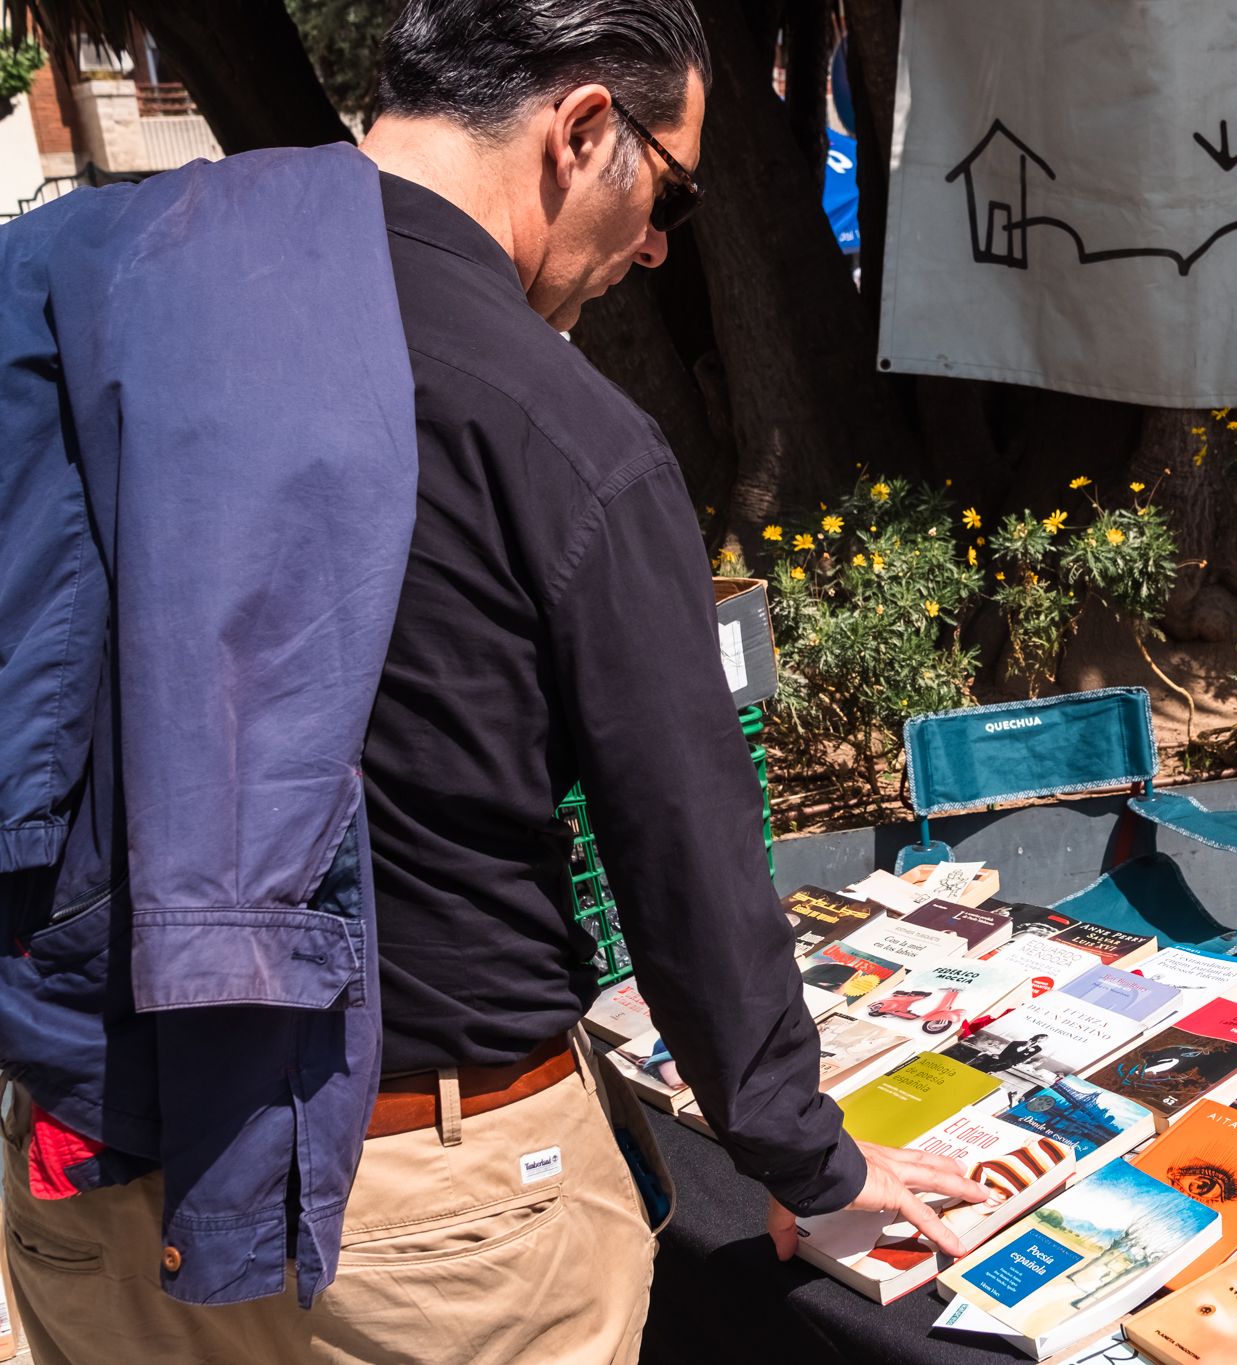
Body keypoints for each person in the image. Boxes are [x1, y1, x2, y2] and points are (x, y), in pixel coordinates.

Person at [0, 1, 988, 1360]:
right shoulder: (553, 422)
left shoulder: (90, 288)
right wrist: (808, 1160)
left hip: (84, 1154)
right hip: (417, 1213)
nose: (653, 245)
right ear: (585, 129)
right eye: (674, 196)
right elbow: (688, 858)